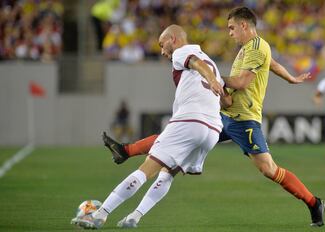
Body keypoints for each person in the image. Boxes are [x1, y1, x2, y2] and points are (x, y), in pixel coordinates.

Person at [103, 7, 325, 228]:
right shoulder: (249, 49)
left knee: (269, 169)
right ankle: (126, 153)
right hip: (223, 115)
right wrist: (289, 77)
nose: (229, 33)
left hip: (244, 119)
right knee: (176, 137)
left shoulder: (257, 47)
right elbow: (272, 63)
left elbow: (241, 83)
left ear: (244, 25)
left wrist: (213, 77)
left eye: (232, 28)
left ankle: (313, 202)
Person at [71, 24, 228, 229]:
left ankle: (99, 214)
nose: (162, 52)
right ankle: (134, 217)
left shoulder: (183, 52)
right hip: (212, 130)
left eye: (163, 45)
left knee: (146, 169)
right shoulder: (213, 63)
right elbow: (227, 101)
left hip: (191, 120)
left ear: (173, 39)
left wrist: (210, 79)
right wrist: (218, 85)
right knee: (167, 172)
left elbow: (197, 64)